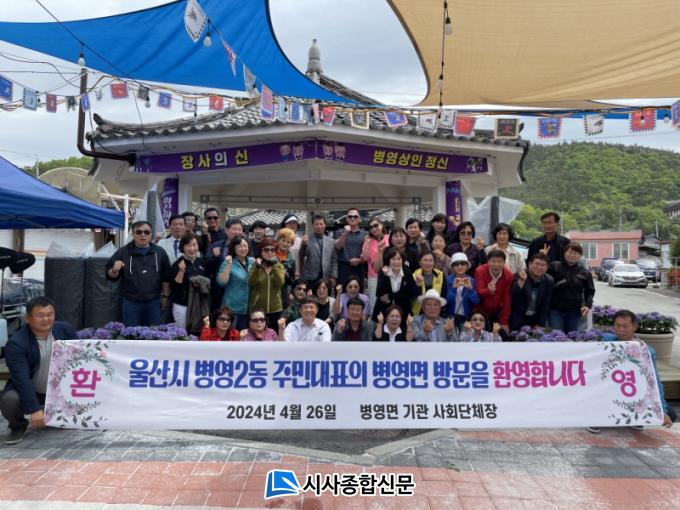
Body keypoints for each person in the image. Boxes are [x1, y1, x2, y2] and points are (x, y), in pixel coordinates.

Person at [1, 296, 77, 445]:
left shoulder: (65, 330)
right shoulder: (17, 344)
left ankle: (58, 415)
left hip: (60, 390)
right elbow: (22, 379)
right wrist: (33, 409)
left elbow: (80, 355)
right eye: (40, 315)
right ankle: (17, 426)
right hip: (31, 391)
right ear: (27, 318)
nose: (46, 319)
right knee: (9, 400)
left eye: (50, 314)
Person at [587, 309, 676, 434]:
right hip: (606, 389)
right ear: (613, 327)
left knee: (670, 414)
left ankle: (636, 418)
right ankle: (595, 418)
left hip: (630, 391)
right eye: (618, 326)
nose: (621, 330)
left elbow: (654, 381)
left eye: (625, 326)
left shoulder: (646, 351)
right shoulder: (605, 341)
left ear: (634, 327)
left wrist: (663, 410)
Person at [106, 220, 171, 327]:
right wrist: (114, 270)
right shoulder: (123, 252)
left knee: (153, 333)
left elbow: (166, 276)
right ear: (133, 234)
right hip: (131, 302)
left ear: (151, 234)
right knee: (130, 333)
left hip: (153, 302)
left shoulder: (160, 252)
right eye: (139, 232)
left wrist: (165, 296)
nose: (143, 235)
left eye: (146, 232)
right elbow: (110, 276)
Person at [548, 242, 595, 333]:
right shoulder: (554, 266)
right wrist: (543, 257)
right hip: (556, 310)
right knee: (557, 337)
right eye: (570, 252)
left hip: (574, 312)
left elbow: (590, 290)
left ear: (580, 255)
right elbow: (542, 274)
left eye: (575, 253)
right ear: (564, 253)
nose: (572, 255)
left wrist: (587, 305)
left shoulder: (585, 272)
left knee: (572, 337)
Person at [168, 233, 208, 330]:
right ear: (183, 247)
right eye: (188, 245)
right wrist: (181, 271)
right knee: (182, 334)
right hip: (182, 306)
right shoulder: (177, 264)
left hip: (199, 305)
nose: (192, 248)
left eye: (194, 245)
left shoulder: (202, 262)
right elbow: (174, 287)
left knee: (197, 334)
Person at [206, 218, 245, 311]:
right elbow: (207, 266)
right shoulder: (216, 245)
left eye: (240, 229)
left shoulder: (245, 247)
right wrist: (215, 257)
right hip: (220, 290)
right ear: (226, 230)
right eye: (234, 229)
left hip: (238, 291)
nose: (237, 232)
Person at [372, 247, 418, 326]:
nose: (396, 262)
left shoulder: (407, 272)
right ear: (388, 260)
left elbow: (411, 294)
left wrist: (391, 296)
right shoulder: (383, 271)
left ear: (402, 260)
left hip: (403, 310)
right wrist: (386, 276)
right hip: (384, 310)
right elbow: (379, 293)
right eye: (393, 259)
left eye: (399, 259)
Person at [216, 235, 254, 330]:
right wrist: (228, 264)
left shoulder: (252, 262)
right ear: (234, 248)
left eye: (245, 245)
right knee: (230, 336)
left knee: (244, 336)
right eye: (240, 246)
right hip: (231, 309)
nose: (243, 248)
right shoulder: (228, 261)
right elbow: (221, 282)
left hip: (248, 309)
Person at [474, 249, 513, 339]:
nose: (496, 265)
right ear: (488, 262)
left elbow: (507, 299)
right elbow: (479, 292)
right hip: (480, 309)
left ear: (504, 263)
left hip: (496, 311)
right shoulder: (480, 271)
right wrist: (488, 290)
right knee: (480, 337)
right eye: (493, 261)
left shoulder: (509, 275)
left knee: (502, 336)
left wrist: (504, 322)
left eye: (500, 262)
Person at [510, 253, 554, 332]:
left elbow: (546, 303)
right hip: (517, 317)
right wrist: (521, 281)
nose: (539, 267)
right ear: (529, 264)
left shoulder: (549, 280)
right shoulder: (520, 275)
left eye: (543, 265)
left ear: (547, 268)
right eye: (537, 264)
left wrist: (540, 324)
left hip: (535, 319)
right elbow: (513, 296)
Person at [248, 238, 286, 329]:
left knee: (274, 334)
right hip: (258, 309)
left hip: (276, 308)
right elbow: (251, 282)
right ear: (261, 252)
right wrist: (257, 268)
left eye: (272, 250)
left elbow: (280, 282)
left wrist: (274, 265)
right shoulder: (255, 266)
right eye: (266, 250)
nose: (269, 252)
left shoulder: (279, 266)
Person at [445, 253, 480, 332]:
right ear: (453, 267)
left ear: (467, 266)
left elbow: (476, 301)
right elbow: (446, 301)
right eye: (456, 264)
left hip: (466, 317)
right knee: (450, 337)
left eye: (462, 264)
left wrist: (470, 288)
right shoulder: (447, 280)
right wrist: (453, 289)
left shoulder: (472, 281)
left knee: (465, 338)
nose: (459, 266)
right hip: (450, 316)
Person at [362, 216, 390, 315]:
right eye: (371, 227)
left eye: (376, 225)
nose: (374, 228)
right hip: (374, 276)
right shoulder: (368, 240)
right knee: (374, 303)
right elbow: (365, 258)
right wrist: (367, 243)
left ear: (381, 225)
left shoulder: (389, 237)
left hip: (389, 275)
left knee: (389, 302)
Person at [301, 214, 338, 287]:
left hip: (326, 276)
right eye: (316, 224)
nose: (319, 226)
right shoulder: (308, 240)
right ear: (313, 225)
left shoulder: (331, 241)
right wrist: (304, 245)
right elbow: (302, 254)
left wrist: (334, 276)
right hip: (310, 277)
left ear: (325, 225)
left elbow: (334, 260)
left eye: (321, 224)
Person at [335, 207, 366, 286]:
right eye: (350, 216)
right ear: (346, 218)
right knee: (342, 290)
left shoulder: (365, 234)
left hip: (359, 267)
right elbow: (338, 247)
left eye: (355, 216)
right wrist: (345, 233)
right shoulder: (339, 232)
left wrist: (359, 260)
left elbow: (367, 254)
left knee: (358, 291)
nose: (352, 218)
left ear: (359, 219)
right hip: (343, 267)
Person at [412, 251, 445, 316]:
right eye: (425, 260)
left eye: (430, 260)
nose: (428, 263)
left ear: (434, 262)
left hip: (435, 312)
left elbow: (443, 295)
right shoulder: (414, 276)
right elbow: (412, 296)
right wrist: (418, 286)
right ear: (420, 262)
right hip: (418, 313)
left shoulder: (441, 275)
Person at [275, 228, 297, 308]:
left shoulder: (291, 260)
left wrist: (286, 275)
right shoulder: (270, 254)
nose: (285, 244)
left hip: (283, 294)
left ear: (291, 244)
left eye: (288, 242)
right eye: (283, 240)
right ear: (278, 240)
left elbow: (292, 281)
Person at [281, 213, 304, 277]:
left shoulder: (300, 241)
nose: (292, 225)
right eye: (289, 223)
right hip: (281, 274)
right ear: (285, 225)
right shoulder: (278, 239)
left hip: (297, 275)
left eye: (294, 223)